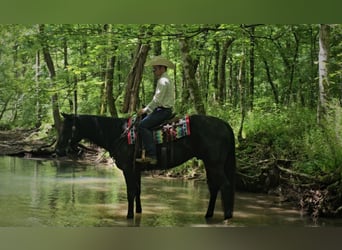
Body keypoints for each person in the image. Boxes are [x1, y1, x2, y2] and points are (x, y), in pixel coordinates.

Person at [136, 56, 175, 164]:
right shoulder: (166, 79)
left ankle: (152, 155)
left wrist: (145, 110)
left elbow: (157, 100)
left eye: (155, 69)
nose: (154, 71)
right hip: (164, 110)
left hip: (163, 111)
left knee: (142, 126)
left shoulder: (163, 81)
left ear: (162, 68)